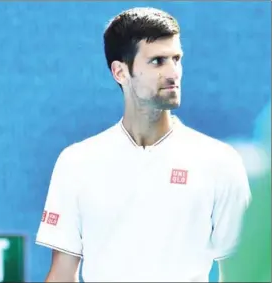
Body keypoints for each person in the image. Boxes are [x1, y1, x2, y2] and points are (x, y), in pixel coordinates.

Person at [36, 7, 251, 282]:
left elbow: (242, 275)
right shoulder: (75, 163)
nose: (173, 72)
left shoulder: (221, 161)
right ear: (120, 72)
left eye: (177, 59)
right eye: (158, 61)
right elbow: (61, 275)